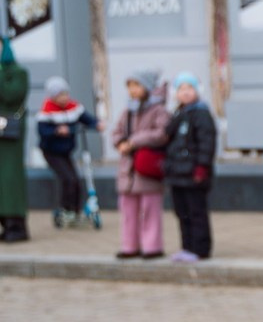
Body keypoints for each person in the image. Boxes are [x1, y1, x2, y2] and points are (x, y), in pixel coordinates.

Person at [111, 70, 169, 260]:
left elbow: (162, 134)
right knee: (128, 211)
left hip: (147, 169)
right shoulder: (127, 111)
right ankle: (129, 245)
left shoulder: (159, 110)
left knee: (150, 210)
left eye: (137, 85)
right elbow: (117, 132)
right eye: (130, 86)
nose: (133, 90)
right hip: (128, 171)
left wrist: (134, 141)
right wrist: (120, 143)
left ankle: (152, 246)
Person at [164, 72, 217, 262]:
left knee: (196, 212)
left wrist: (201, 167)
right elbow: (167, 137)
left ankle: (200, 249)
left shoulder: (201, 113)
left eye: (190, 88)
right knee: (182, 213)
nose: (186, 93)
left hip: (194, 174)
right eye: (181, 89)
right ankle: (187, 247)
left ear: (197, 90)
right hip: (177, 174)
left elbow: (207, 142)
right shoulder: (178, 114)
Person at [37, 75, 98, 226]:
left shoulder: (74, 107)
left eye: (65, 94)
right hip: (51, 152)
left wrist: (97, 124)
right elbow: (42, 130)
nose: (64, 98)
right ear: (53, 97)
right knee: (67, 178)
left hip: (66, 151)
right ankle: (65, 209)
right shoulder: (47, 111)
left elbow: (87, 119)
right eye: (60, 95)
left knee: (76, 180)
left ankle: (76, 210)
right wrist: (57, 130)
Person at [0, 37, 30, 243]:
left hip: (10, 134)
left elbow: (12, 95)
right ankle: (5, 223)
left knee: (10, 177)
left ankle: (16, 223)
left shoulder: (19, 73)